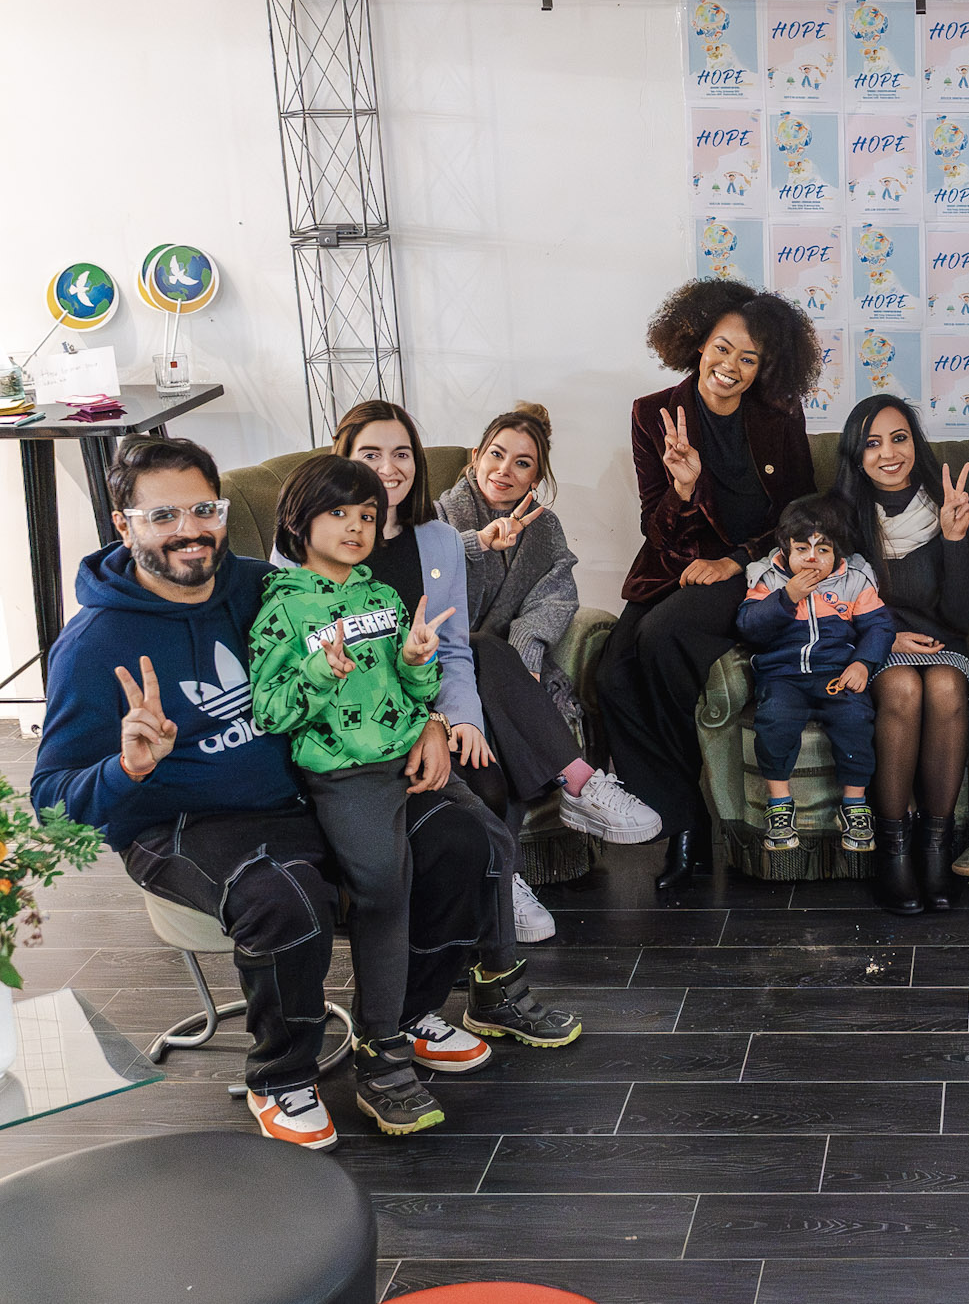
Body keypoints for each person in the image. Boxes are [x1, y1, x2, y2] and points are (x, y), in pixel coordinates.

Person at [31, 437, 460, 1149]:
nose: (190, 529)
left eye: (204, 509)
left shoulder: (263, 586)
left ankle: (397, 1022)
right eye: (163, 515)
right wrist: (127, 767)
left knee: (459, 838)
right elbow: (51, 803)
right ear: (123, 525)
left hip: (305, 793)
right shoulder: (92, 643)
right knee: (285, 896)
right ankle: (282, 1076)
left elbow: (374, 664)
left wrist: (434, 720)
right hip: (181, 822)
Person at [249, 454, 483, 1136]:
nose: (356, 526)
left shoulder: (381, 597)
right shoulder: (282, 607)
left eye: (368, 515)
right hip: (345, 776)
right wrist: (320, 672)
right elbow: (269, 710)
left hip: (408, 763)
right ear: (300, 520)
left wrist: (416, 663)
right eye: (339, 512)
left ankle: (472, 998)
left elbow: (412, 690)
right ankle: (382, 1049)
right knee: (383, 889)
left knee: (484, 849)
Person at [335, 401, 584, 1044]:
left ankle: (491, 988)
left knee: (493, 792)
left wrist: (458, 721)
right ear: (343, 459)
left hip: (430, 716)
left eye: (401, 454)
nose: (389, 468)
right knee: (474, 833)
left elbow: (450, 649)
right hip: (360, 738)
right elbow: (328, 659)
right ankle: (437, 1003)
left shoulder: (437, 540)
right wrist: (427, 726)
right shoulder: (323, 542)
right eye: (370, 454)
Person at [599, 279, 821, 890]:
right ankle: (684, 817)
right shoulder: (652, 413)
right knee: (613, 676)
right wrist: (683, 488)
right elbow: (655, 529)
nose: (731, 367)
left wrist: (738, 562)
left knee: (663, 636)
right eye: (722, 348)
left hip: (752, 571)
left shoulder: (779, 414)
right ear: (698, 343)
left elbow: (802, 515)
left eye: (749, 358)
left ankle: (689, 830)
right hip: (670, 567)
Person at [434, 402, 662, 905]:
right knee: (482, 654)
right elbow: (423, 578)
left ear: (536, 477)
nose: (504, 470)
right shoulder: (439, 518)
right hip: (440, 664)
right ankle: (577, 781)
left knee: (500, 719)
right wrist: (478, 543)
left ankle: (507, 882)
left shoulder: (544, 527)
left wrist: (526, 653)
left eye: (522, 463)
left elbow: (554, 596)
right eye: (496, 455)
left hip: (506, 671)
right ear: (475, 457)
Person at [831, 395, 969, 915]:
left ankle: (936, 847)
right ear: (856, 455)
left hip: (944, 645)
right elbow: (827, 604)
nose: (888, 454)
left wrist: (955, 539)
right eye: (872, 444)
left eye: (899, 438)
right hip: (875, 646)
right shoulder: (840, 518)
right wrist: (885, 639)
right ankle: (893, 851)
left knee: (943, 684)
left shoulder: (946, 504)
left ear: (915, 444)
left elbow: (964, 615)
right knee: (901, 687)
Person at [736, 496, 896, 859]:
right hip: (783, 676)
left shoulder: (854, 580)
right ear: (784, 548)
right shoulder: (768, 578)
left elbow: (880, 627)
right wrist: (786, 597)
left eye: (822, 549)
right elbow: (749, 626)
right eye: (802, 549)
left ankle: (854, 804)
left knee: (856, 719)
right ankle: (779, 804)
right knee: (775, 720)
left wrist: (863, 663)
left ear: (838, 552)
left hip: (836, 673)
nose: (812, 558)